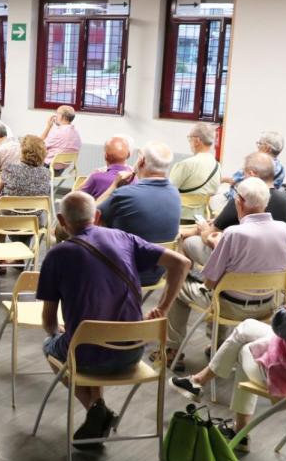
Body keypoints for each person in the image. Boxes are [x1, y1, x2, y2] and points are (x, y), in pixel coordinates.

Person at [38, 191, 190, 446]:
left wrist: (55, 332)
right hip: (132, 350)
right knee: (88, 338)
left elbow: (49, 321)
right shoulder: (124, 238)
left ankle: (96, 408)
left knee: (51, 345)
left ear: (62, 222)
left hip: (84, 354)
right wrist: (162, 308)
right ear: (97, 217)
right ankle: (97, 408)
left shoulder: (57, 255)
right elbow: (182, 263)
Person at [171, 296, 286, 452]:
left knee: (245, 350)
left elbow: (280, 324)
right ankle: (198, 380)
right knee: (246, 328)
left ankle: (239, 431)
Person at [165, 177, 286, 370]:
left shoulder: (233, 234)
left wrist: (217, 246)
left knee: (178, 285)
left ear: (239, 202)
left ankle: (172, 350)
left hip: (228, 306)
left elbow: (211, 281)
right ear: (265, 202)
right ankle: (217, 346)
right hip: (268, 305)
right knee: (226, 288)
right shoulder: (285, 230)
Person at [180, 152, 286, 267]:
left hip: (238, 267)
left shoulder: (242, 199)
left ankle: (192, 280)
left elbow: (208, 236)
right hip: (272, 268)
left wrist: (203, 229)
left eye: (244, 174)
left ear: (251, 174)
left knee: (189, 241)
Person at [96, 142, 181, 286]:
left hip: (122, 272)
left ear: (141, 161)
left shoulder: (124, 194)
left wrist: (114, 186)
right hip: (158, 272)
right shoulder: (175, 193)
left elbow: (91, 214)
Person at [0, 135, 51, 227]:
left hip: (8, 219)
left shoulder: (10, 168)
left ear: (23, 151)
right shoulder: (46, 173)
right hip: (34, 221)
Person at [169, 122, 222, 212]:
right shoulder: (217, 166)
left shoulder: (185, 165)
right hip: (203, 217)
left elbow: (167, 191)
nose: (189, 141)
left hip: (180, 216)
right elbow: (214, 191)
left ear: (197, 141)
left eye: (190, 138)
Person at [221, 131, 286, 190]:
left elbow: (234, 181)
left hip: (241, 200)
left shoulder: (256, 164)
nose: (258, 146)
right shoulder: (282, 169)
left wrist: (223, 179)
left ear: (267, 148)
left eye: (260, 143)